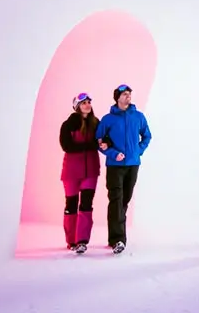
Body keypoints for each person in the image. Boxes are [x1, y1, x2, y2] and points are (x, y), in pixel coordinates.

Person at [95, 84, 152, 254]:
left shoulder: (138, 117)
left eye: (130, 94)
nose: (129, 96)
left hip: (133, 165)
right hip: (115, 167)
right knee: (116, 200)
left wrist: (138, 150)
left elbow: (147, 136)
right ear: (117, 97)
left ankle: (117, 233)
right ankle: (118, 239)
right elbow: (99, 141)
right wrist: (113, 153)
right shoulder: (107, 119)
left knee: (124, 200)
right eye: (125, 94)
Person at [59, 92, 101, 254]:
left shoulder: (96, 123)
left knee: (86, 204)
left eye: (89, 102)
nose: (87, 105)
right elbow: (67, 146)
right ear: (77, 106)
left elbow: (104, 140)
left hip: (90, 170)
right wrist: (90, 146)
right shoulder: (68, 124)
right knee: (71, 205)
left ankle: (82, 240)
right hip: (71, 171)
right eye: (84, 102)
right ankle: (71, 240)